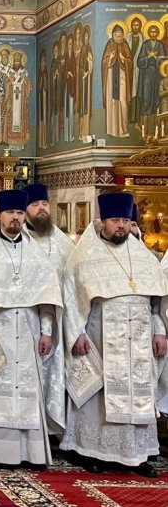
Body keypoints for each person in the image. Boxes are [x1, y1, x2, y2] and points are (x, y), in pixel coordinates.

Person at [60, 192, 168, 476]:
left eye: (125, 220)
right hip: (99, 336)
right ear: (102, 221)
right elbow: (72, 300)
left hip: (140, 339)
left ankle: (136, 455)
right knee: (98, 393)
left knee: (138, 393)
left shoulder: (144, 257)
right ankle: (90, 450)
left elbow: (157, 303)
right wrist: (76, 333)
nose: (121, 225)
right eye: (115, 220)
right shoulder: (85, 257)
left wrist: (160, 332)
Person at [0, 189, 63, 468]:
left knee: (28, 386)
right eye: (10, 213)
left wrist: (46, 331)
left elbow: (47, 296)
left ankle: (30, 453)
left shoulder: (35, 253)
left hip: (29, 328)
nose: (15, 218)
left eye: (19, 213)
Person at [24, 184, 75, 275]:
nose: (41, 207)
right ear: (25, 210)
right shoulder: (17, 239)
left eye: (45, 204)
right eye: (35, 204)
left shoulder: (63, 242)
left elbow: (72, 274)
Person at [101, 24, 133, 138]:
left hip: (123, 77)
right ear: (113, 35)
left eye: (120, 35)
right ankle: (111, 130)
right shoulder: (109, 44)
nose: (119, 37)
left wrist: (124, 60)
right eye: (117, 35)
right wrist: (110, 58)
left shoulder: (125, 45)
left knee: (123, 102)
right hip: (110, 78)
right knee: (112, 103)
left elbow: (130, 61)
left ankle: (124, 130)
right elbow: (104, 62)